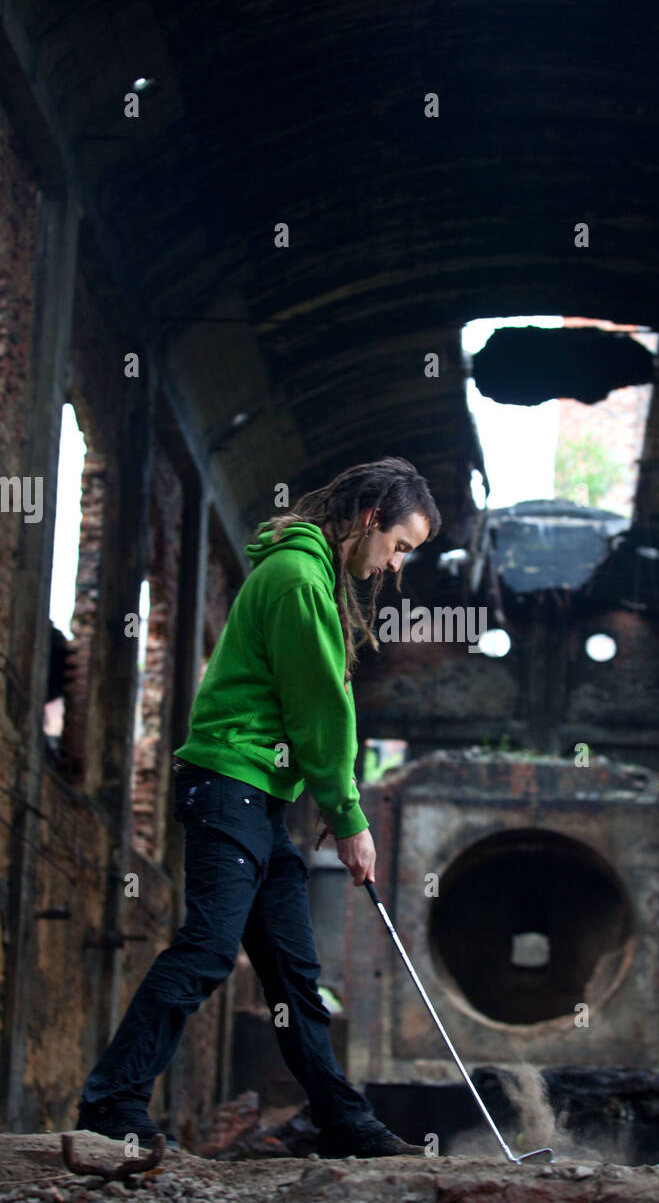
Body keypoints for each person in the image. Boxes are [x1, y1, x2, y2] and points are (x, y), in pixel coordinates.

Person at [76, 457, 441, 1158]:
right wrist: (350, 818)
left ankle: (342, 1119)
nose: (397, 567)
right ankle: (111, 1103)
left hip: (259, 797)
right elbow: (319, 714)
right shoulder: (299, 579)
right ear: (370, 520)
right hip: (227, 784)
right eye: (400, 546)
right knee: (210, 947)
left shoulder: (308, 575)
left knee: (293, 975)